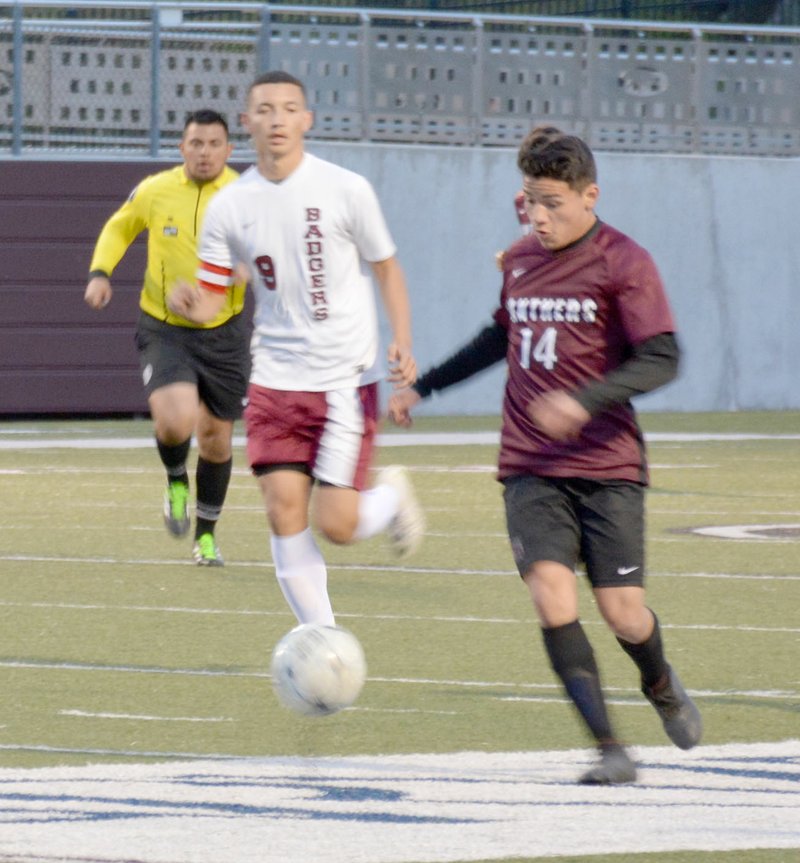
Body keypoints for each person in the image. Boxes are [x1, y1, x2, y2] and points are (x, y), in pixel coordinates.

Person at [388, 126, 701, 785]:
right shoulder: (521, 260)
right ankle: (610, 747)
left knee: (623, 611)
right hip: (529, 466)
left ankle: (661, 681)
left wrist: (586, 400)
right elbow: (496, 337)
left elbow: (663, 356)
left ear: (591, 196)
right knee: (552, 596)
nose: (540, 216)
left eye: (554, 202)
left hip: (608, 466)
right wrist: (424, 386)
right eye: (531, 201)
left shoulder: (624, 260)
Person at [167, 71, 424, 627]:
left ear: (307, 119)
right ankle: (321, 638)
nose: (277, 118)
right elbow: (214, 299)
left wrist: (402, 340)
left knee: (338, 524)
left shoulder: (346, 188)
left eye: (289, 108)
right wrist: (194, 304)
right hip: (275, 381)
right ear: (248, 122)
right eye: (265, 109)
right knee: (283, 511)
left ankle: (389, 498)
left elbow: (386, 267)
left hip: (343, 382)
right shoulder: (229, 207)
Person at [84, 109, 248, 567]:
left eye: (214, 144)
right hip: (165, 329)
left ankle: (207, 536)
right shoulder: (156, 189)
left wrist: (241, 272)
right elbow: (120, 226)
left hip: (224, 334)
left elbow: (263, 253)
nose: (204, 152)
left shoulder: (244, 195)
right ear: (182, 148)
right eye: (196, 143)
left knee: (216, 440)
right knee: (176, 422)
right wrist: (100, 273)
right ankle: (176, 477)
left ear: (229, 150)